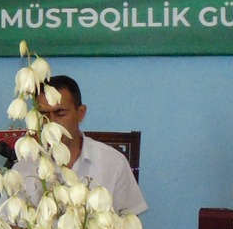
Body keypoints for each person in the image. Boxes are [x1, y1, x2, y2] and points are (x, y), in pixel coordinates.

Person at [29, 74, 147, 216]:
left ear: (80, 113)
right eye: (43, 115)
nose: (51, 123)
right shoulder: (26, 165)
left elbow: (128, 221)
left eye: (60, 113)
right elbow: (13, 226)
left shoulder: (113, 162)